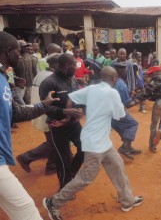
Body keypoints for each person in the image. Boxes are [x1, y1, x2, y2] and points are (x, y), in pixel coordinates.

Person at [43, 67, 144, 220]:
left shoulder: (91, 89)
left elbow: (71, 97)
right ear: (114, 78)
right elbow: (120, 116)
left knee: (117, 166)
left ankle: (127, 200)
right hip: (95, 144)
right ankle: (53, 202)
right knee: (86, 178)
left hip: (101, 141)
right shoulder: (112, 93)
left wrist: (68, 116)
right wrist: (129, 103)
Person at [0, 31, 59, 220]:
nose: (22, 55)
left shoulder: (3, 78)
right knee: (28, 213)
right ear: (9, 51)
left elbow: (16, 112)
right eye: (19, 51)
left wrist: (44, 105)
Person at [39, 53, 84, 190]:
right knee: (63, 157)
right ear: (66, 65)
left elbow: (76, 98)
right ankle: (64, 187)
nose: (77, 67)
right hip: (57, 126)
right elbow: (45, 108)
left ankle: (70, 174)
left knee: (86, 147)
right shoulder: (49, 83)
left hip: (73, 123)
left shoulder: (72, 79)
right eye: (74, 65)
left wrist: (78, 111)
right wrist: (65, 112)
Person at [111, 62, 141, 160]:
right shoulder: (120, 83)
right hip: (118, 112)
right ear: (119, 71)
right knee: (133, 124)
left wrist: (131, 96)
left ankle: (128, 147)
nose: (126, 72)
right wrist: (137, 100)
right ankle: (124, 148)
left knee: (125, 128)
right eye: (124, 70)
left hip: (110, 113)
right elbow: (126, 103)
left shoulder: (112, 81)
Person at [146, 66, 161, 153]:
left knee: (153, 125)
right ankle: (160, 131)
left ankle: (152, 146)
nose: (151, 75)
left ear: (156, 72)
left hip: (160, 103)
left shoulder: (157, 79)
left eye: (152, 73)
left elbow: (148, 90)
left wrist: (140, 97)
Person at [14, 40, 38, 104]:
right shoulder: (15, 57)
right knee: (19, 103)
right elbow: (11, 71)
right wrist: (16, 81)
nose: (25, 48)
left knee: (29, 101)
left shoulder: (30, 57)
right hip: (19, 85)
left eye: (25, 46)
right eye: (23, 46)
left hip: (29, 83)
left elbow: (34, 70)